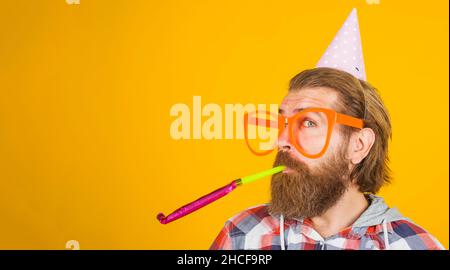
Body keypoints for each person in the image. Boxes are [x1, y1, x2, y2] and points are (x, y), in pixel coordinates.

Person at [210, 9, 445, 250]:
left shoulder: (414, 245)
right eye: (284, 123)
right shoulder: (241, 235)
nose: (281, 141)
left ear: (359, 145)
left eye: (309, 122)